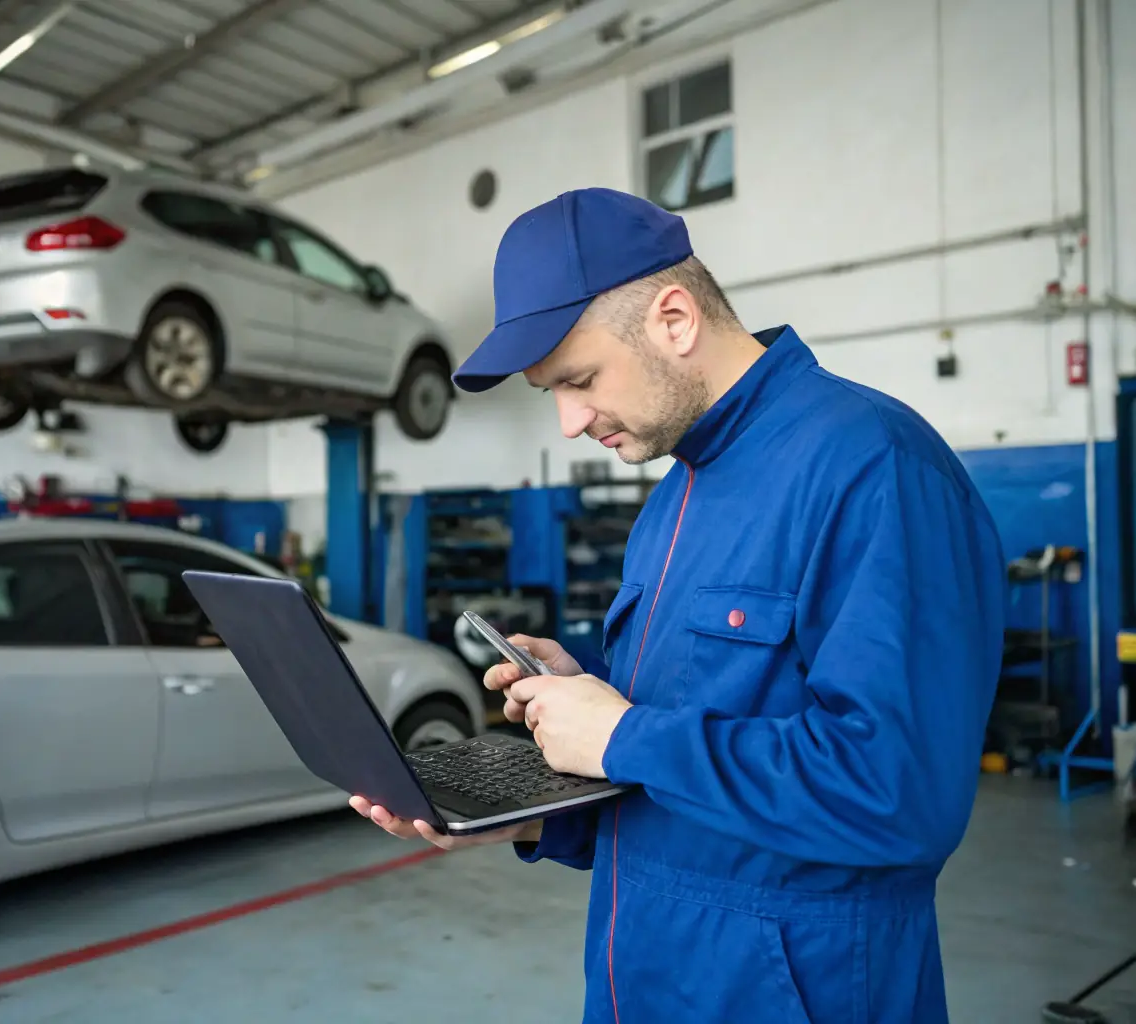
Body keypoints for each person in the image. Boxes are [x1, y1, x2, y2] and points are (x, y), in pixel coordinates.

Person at [349, 187, 1006, 1023]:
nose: (569, 421)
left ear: (672, 319)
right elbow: (669, 778)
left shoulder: (873, 467)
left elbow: (898, 796)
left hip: (797, 992)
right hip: (644, 980)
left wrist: (621, 733)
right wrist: (530, 813)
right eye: (549, 390)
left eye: (578, 379)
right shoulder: (671, 498)